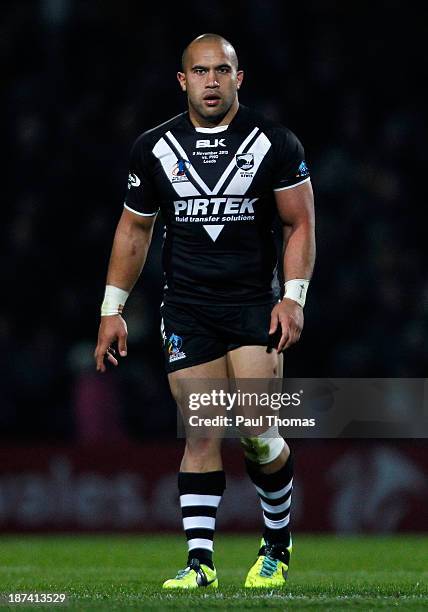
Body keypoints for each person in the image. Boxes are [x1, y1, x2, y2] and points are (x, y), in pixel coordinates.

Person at [94, 33, 315, 589]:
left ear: (240, 78)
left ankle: (276, 547)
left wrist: (293, 297)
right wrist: (111, 309)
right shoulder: (154, 147)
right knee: (201, 430)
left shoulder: (275, 143)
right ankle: (200, 565)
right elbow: (134, 230)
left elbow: (300, 223)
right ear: (182, 80)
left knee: (258, 432)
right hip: (187, 309)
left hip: (252, 306)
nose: (211, 81)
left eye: (222, 71)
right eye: (200, 71)